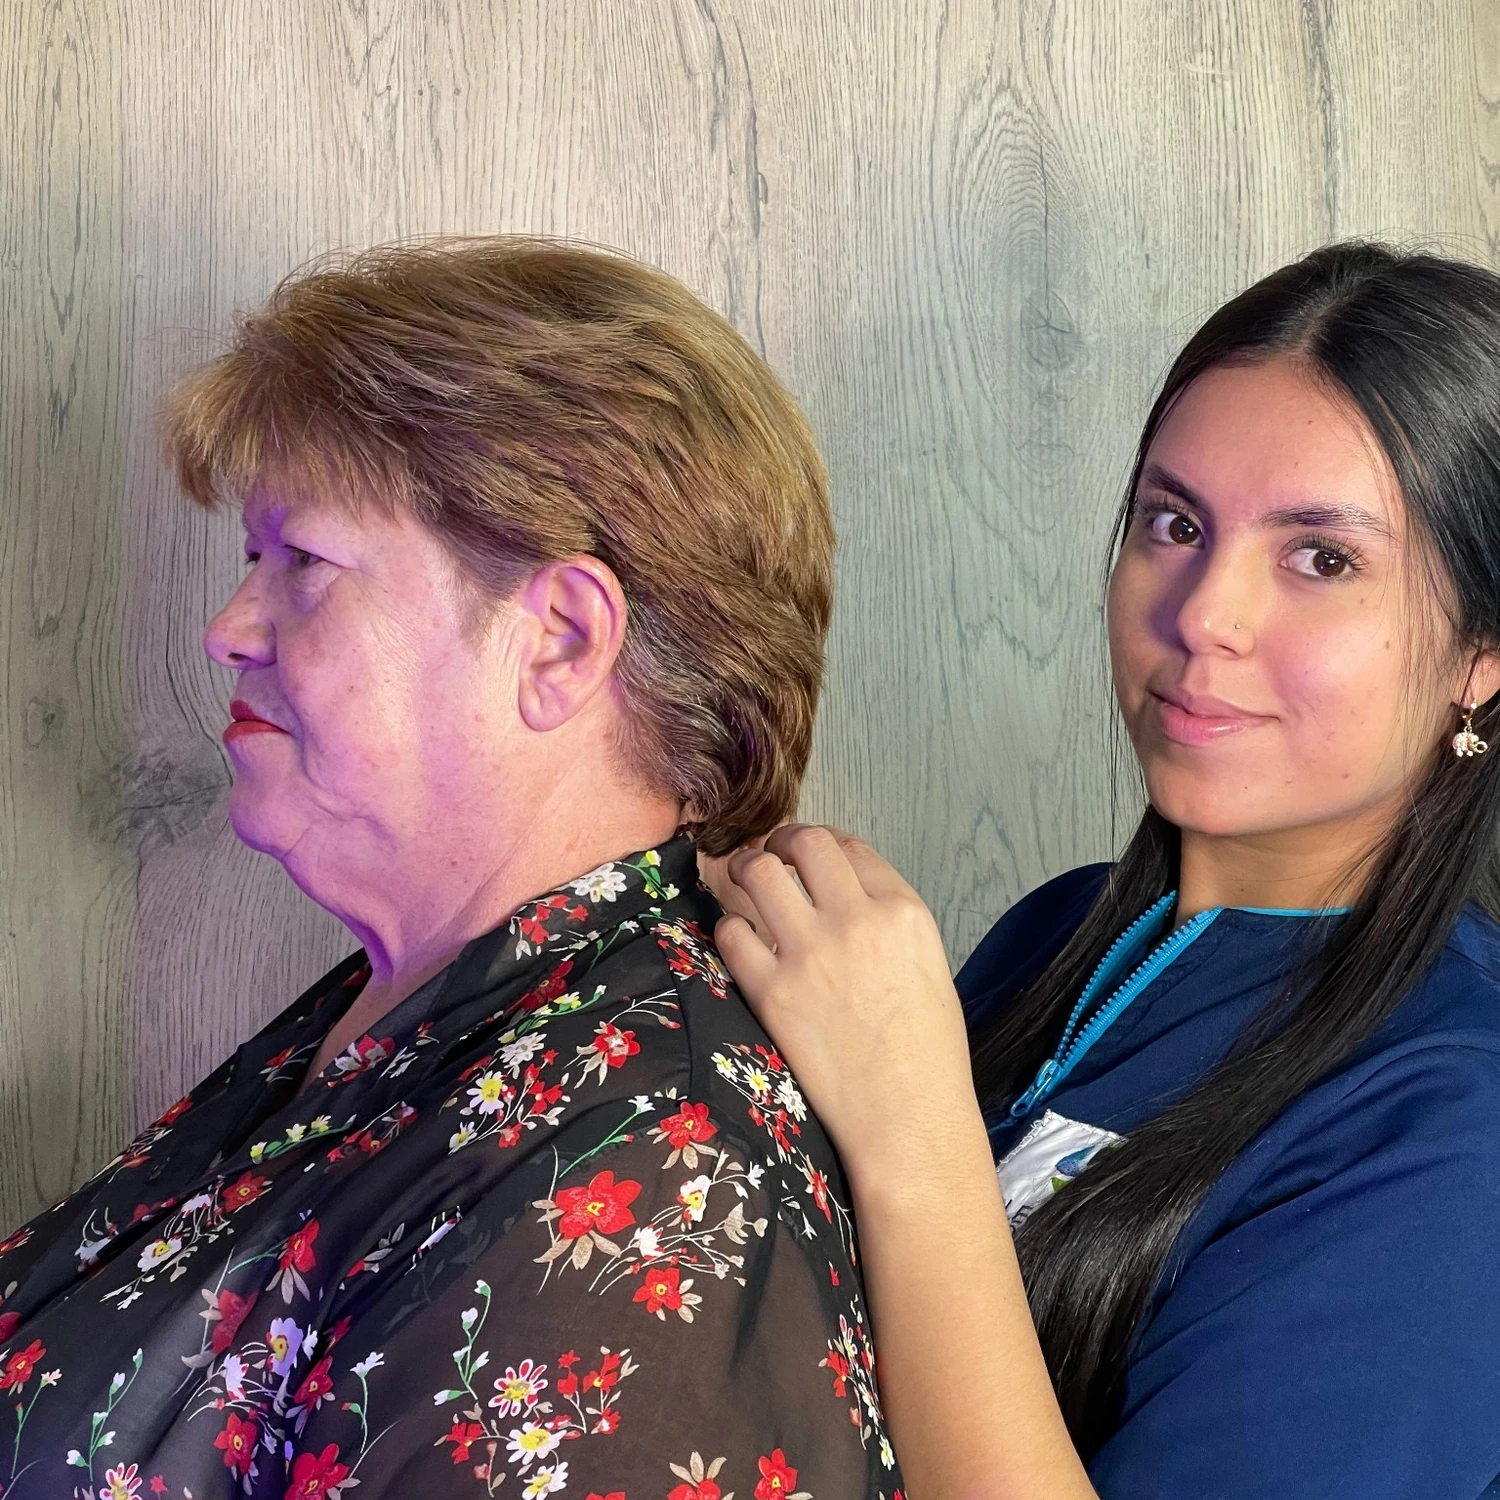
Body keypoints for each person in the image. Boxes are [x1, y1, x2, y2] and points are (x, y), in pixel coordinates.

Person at [0, 239, 901, 1499]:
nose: (228, 628)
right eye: (250, 561)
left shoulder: (637, 1172)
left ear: (559, 642)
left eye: (302, 562)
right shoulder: (417, 1014)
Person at [711, 243, 1500, 1500]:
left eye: (1322, 558)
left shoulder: (1452, 1120)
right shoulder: (1058, 931)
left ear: (1482, 654)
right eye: (1173, 523)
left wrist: (911, 1127)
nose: (1201, 615)